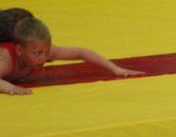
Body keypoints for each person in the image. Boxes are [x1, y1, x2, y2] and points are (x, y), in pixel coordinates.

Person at [0, 14, 144, 96]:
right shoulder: (6, 59)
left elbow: (81, 52)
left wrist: (115, 69)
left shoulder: (39, 49)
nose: (43, 58)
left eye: (46, 51)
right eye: (37, 53)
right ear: (19, 51)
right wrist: (10, 88)